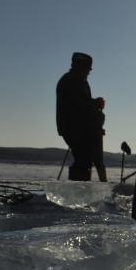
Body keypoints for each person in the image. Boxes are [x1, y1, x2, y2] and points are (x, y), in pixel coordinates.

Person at [56, 52, 104, 181]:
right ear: (80, 67)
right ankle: (78, 190)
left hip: (80, 128)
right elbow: (79, 104)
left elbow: (82, 102)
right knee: (83, 160)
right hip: (74, 128)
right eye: (87, 69)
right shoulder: (72, 80)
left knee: (84, 159)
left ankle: (79, 188)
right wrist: (96, 103)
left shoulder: (78, 80)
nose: (88, 72)